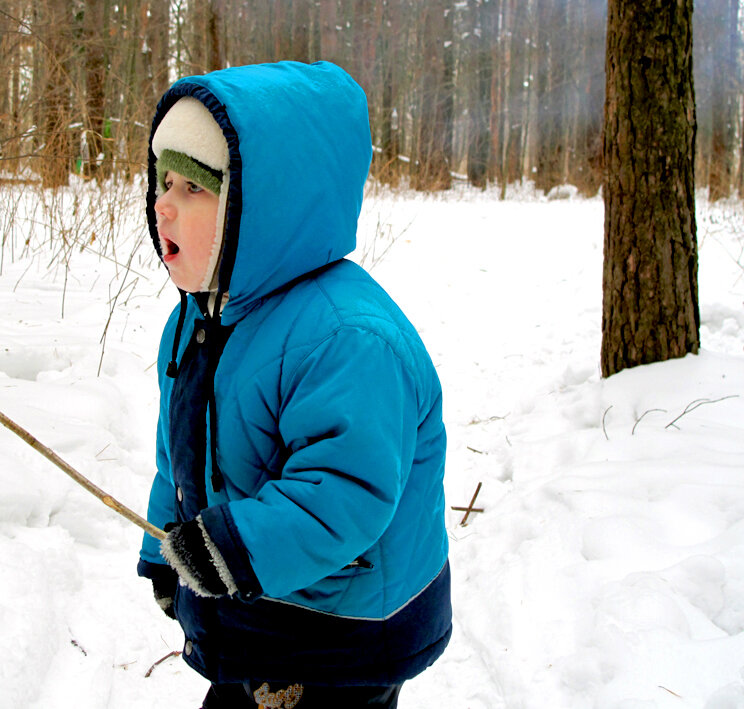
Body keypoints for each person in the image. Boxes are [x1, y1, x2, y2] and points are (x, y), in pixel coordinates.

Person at [137, 60, 451, 709]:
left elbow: (346, 491)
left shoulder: (346, 339)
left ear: (267, 205)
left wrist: (230, 549)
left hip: (338, 630)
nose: (162, 204)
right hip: (254, 601)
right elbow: (182, 456)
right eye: (160, 181)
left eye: (192, 188)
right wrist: (166, 549)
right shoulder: (199, 315)